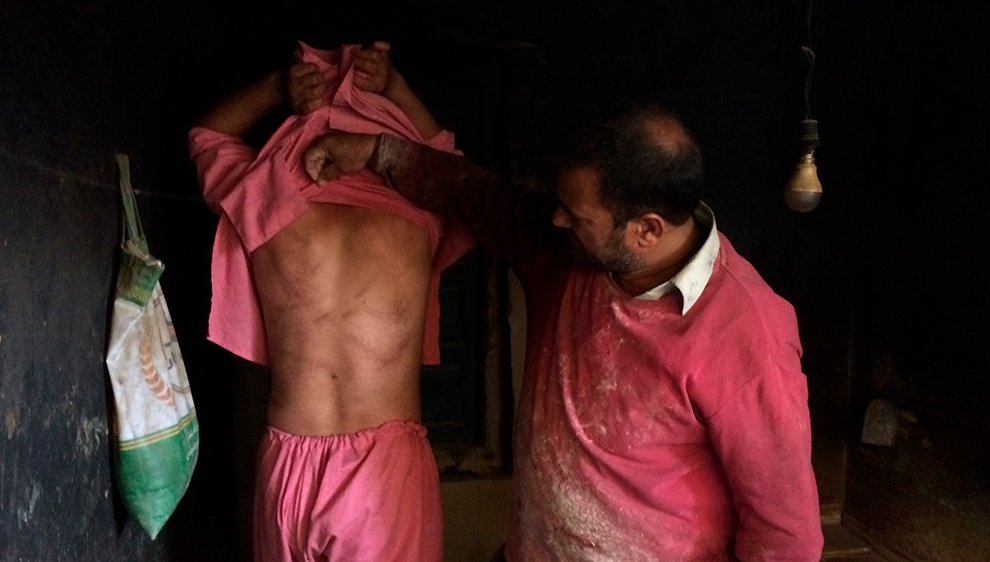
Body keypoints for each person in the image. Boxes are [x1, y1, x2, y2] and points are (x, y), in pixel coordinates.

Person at [301, 104, 825, 561]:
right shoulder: (564, 252)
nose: (555, 220)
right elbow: (474, 193)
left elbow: (785, 535)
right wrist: (377, 151)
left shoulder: (747, 331)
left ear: (646, 229)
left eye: (576, 215)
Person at [188, 40, 473, 562]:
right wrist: (394, 88)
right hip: (384, 471)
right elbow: (451, 167)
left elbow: (208, 134)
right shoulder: (420, 211)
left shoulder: (266, 197)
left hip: (292, 459)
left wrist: (279, 88)